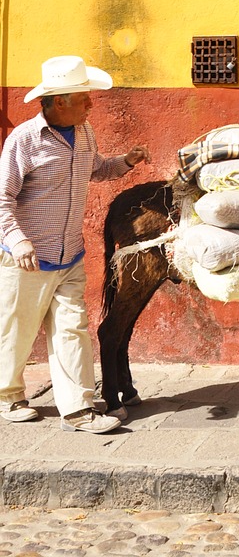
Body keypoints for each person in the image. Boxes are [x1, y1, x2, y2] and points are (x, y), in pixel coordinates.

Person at [0, 55, 150, 434]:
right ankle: (8, 396)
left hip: (70, 253)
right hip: (27, 258)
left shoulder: (84, 134)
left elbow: (95, 169)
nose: (91, 103)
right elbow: (2, 199)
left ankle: (78, 409)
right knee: (17, 330)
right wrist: (17, 241)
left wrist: (124, 162)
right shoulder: (24, 140)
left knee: (72, 329)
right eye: (84, 98)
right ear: (59, 101)